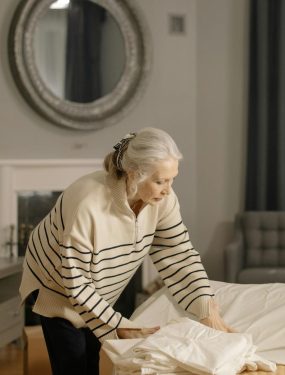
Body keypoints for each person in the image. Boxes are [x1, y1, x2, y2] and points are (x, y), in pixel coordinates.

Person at [19, 128, 234, 375]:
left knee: (92, 355)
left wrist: (205, 308)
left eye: (172, 179)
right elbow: (76, 284)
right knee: (73, 363)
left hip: (94, 285)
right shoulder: (87, 204)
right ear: (134, 175)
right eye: (160, 181)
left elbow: (178, 254)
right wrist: (120, 325)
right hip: (56, 283)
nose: (167, 189)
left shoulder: (163, 200)